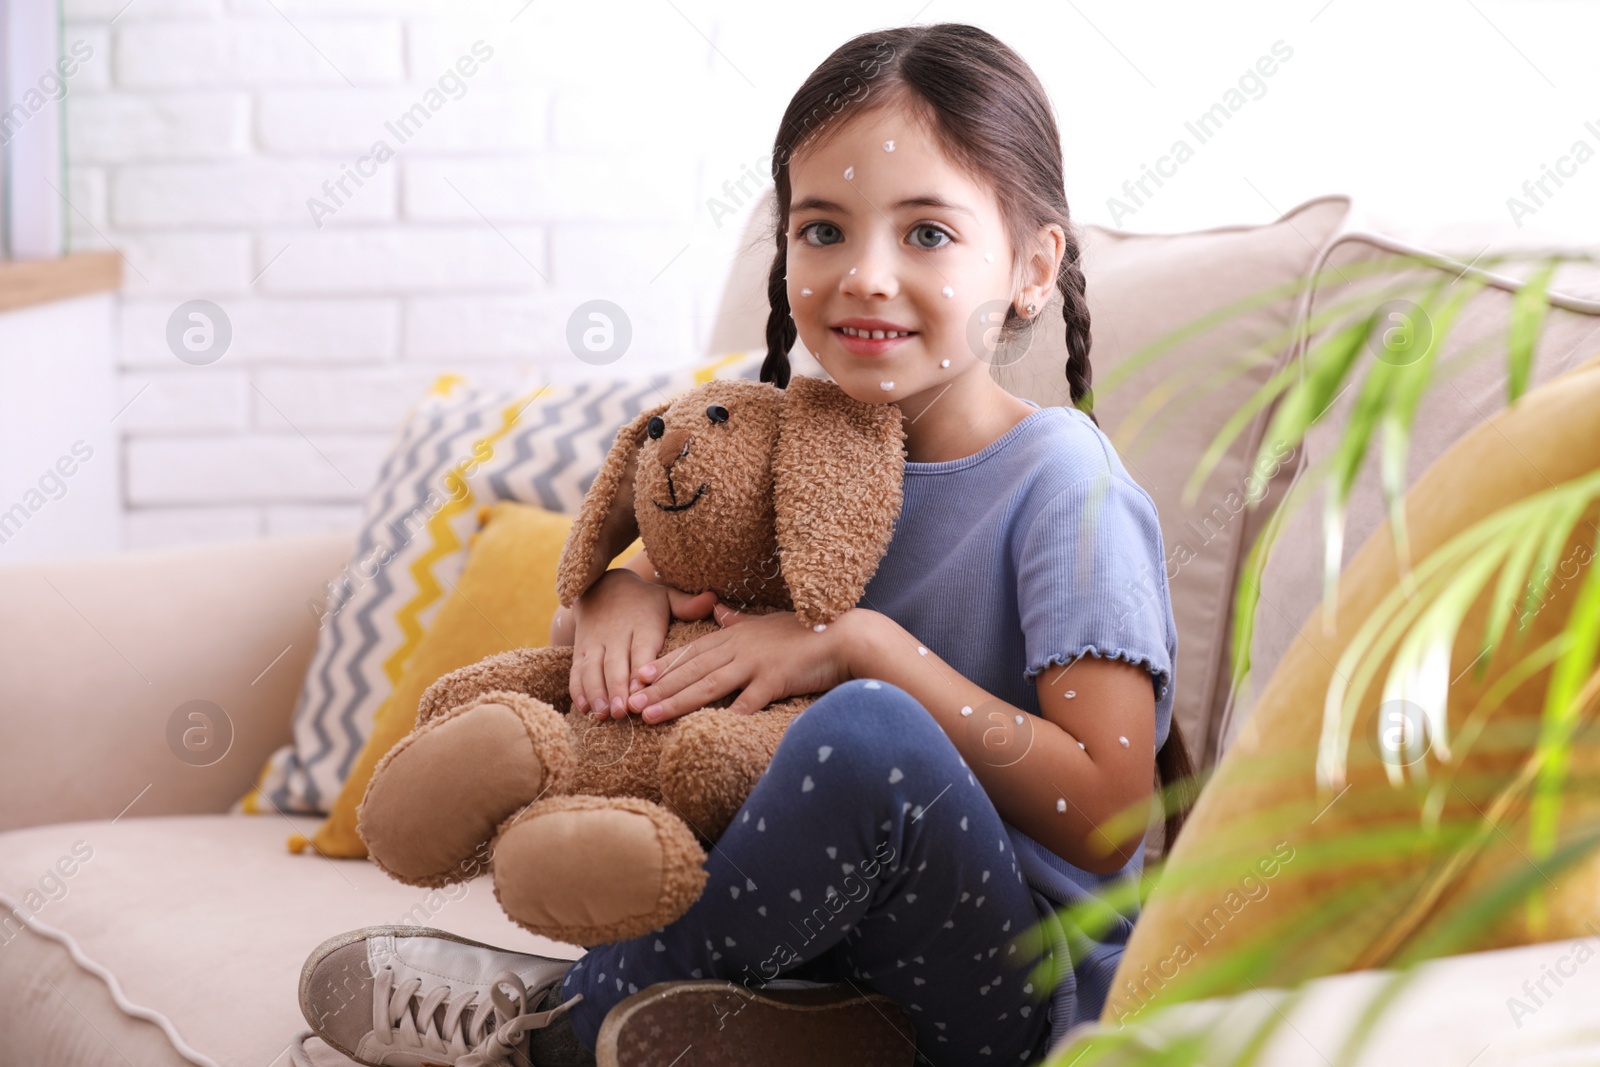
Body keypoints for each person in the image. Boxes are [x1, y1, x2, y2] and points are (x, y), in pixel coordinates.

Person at [295, 22, 1192, 1067]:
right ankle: (745, 1029)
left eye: (926, 234)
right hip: (819, 958)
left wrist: (860, 645)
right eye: (821, 230)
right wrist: (625, 593)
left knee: (865, 732)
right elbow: (669, 671)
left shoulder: (1062, 485)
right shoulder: (775, 450)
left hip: (1005, 990)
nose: (862, 274)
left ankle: (553, 1025)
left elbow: (1110, 813)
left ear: (1032, 267)